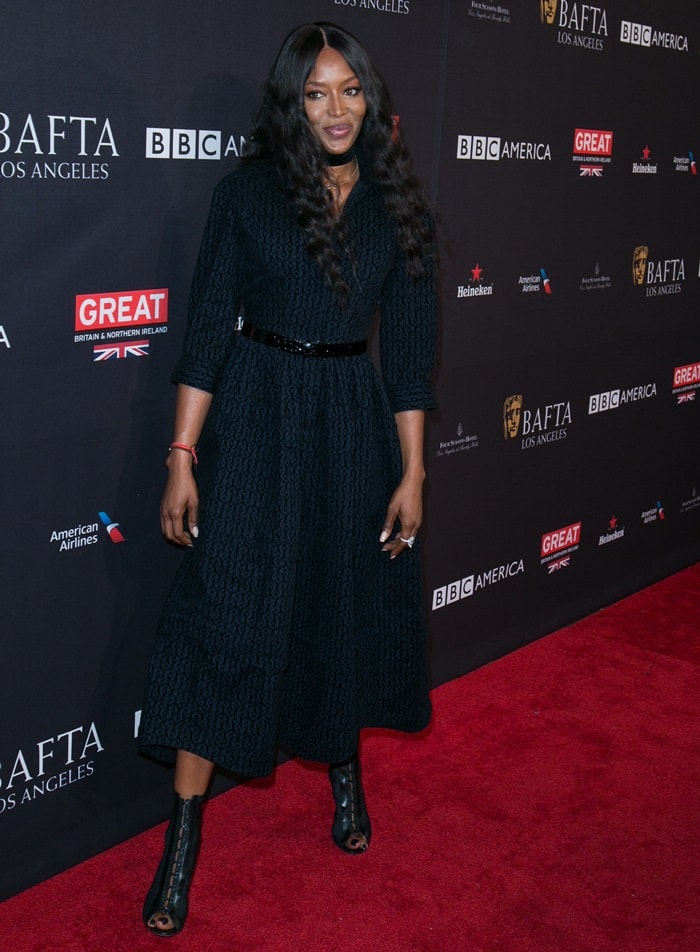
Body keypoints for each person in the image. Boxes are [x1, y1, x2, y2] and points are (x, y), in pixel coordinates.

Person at [138, 21, 438, 937]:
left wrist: (415, 470)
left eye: (350, 90)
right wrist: (183, 457)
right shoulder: (246, 197)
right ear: (290, 103)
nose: (336, 109)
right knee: (227, 617)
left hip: (353, 422)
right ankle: (183, 839)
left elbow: (415, 357)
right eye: (316, 93)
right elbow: (202, 339)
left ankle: (343, 774)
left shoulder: (399, 208)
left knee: (337, 608)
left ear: (371, 99)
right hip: (259, 418)